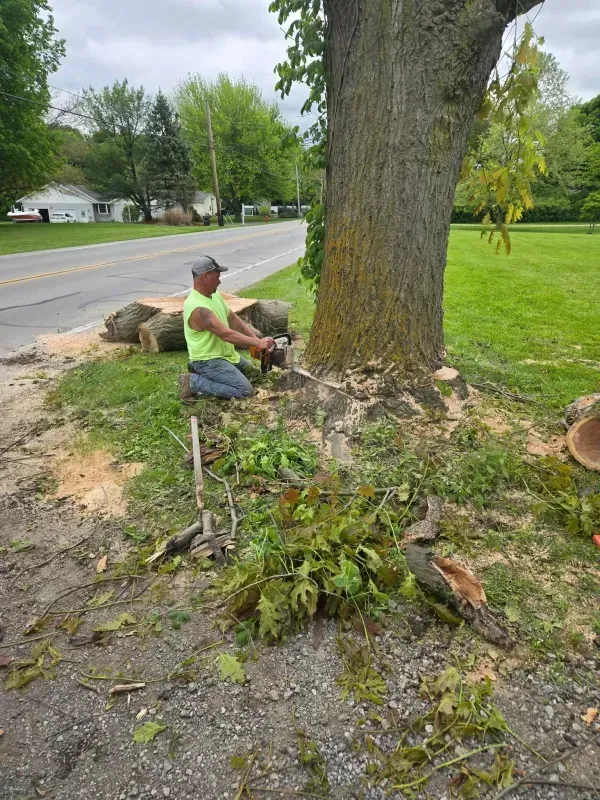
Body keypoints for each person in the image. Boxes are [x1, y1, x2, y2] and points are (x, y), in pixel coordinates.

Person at [178, 255, 276, 403]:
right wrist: (258, 344)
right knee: (245, 391)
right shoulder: (198, 308)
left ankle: (204, 375)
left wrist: (257, 341)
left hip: (226, 355)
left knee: (254, 376)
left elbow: (233, 320)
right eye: (217, 277)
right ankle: (192, 382)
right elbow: (225, 334)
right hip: (208, 361)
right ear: (206, 276)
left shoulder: (214, 295)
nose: (219, 281)